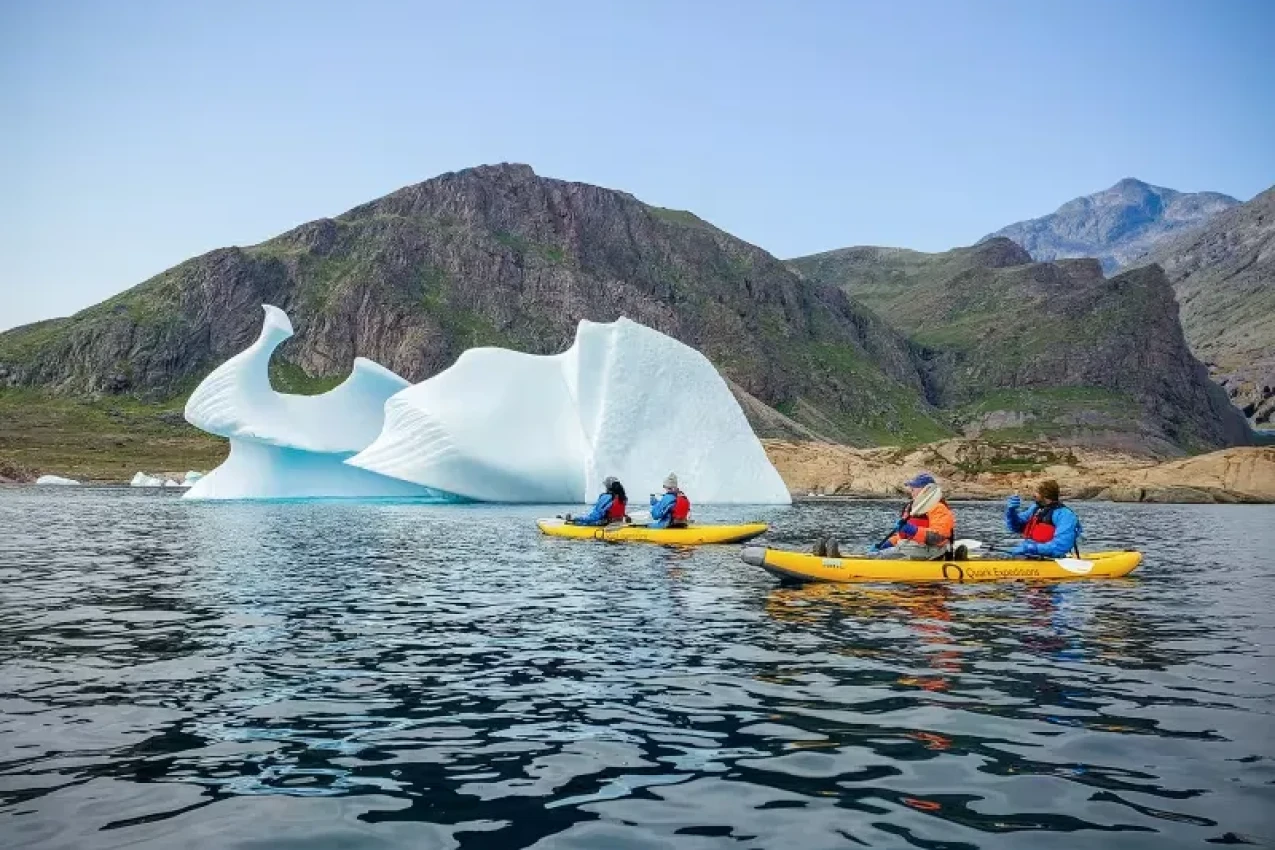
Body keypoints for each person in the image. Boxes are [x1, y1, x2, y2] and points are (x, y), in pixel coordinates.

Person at [1005, 479, 1081, 558]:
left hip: (1053, 559)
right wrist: (1011, 511)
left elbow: (1061, 546)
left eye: (1036, 492)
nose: (1033, 495)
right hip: (1031, 556)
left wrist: (1032, 548)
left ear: (1046, 494)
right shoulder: (1035, 509)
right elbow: (1016, 526)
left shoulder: (1065, 515)